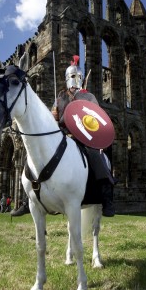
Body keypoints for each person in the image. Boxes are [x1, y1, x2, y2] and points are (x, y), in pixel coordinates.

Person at [51, 55, 116, 217]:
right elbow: (54, 117)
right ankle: (32, 196)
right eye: (72, 76)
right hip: (63, 137)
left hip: (84, 138)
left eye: (78, 76)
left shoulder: (89, 97)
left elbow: (97, 119)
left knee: (96, 157)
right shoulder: (60, 97)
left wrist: (96, 140)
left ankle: (107, 199)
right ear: (67, 78)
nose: (75, 79)